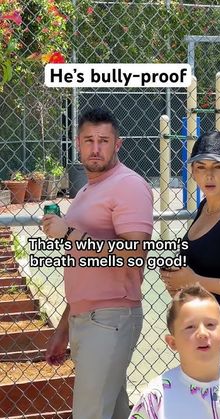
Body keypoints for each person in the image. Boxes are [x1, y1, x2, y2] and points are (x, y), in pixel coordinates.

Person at [42, 108, 153, 419]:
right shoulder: (88, 191)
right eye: (88, 140)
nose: (95, 148)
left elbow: (135, 254)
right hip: (85, 319)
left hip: (109, 319)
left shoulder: (128, 185)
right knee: (112, 412)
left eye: (103, 140)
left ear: (118, 144)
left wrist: (71, 233)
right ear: (78, 143)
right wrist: (63, 329)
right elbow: (83, 267)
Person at [160, 130, 220, 370]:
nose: (209, 175)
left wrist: (195, 281)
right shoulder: (205, 207)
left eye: (218, 167)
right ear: (192, 172)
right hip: (207, 339)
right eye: (201, 167)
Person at [129, 284, 220, 419]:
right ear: (172, 343)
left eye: (210, 325)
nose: (202, 333)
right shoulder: (156, 396)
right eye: (190, 327)